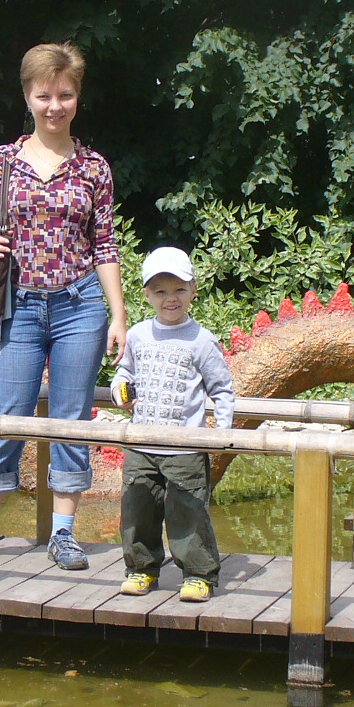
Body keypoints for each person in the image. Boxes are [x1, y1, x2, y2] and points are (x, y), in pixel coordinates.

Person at [0, 42, 127, 570]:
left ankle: (64, 534)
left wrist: (119, 315)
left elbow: (105, 245)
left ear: (78, 97)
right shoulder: (3, 162)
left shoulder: (94, 168)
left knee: (72, 419)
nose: (55, 105)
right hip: (18, 306)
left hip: (80, 305)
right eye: (45, 95)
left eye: (65, 95)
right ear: (28, 97)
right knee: (7, 414)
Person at [110, 246, 234, 602]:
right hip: (141, 443)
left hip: (184, 447)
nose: (171, 298)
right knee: (137, 509)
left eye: (179, 289)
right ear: (147, 294)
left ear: (194, 290)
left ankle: (198, 574)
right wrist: (120, 393)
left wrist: (222, 432)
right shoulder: (138, 335)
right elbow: (124, 374)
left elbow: (222, 389)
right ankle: (141, 569)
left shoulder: (202, 340)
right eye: (161, 291)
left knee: (187, 512)